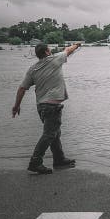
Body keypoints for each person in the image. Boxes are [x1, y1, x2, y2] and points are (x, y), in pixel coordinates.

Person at [12, 41, 82, 174]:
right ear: (46, 52)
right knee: (49, 134)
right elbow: (68, 50)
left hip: (41, 106)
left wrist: (16, 106)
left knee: (54, 133)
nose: (50, 51)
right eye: (49, 49)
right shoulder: (55, 59)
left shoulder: (32, 69)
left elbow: (22, 88)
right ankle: (35, 162)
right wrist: (77, 45)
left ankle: (59, 159)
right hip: (51, 106)